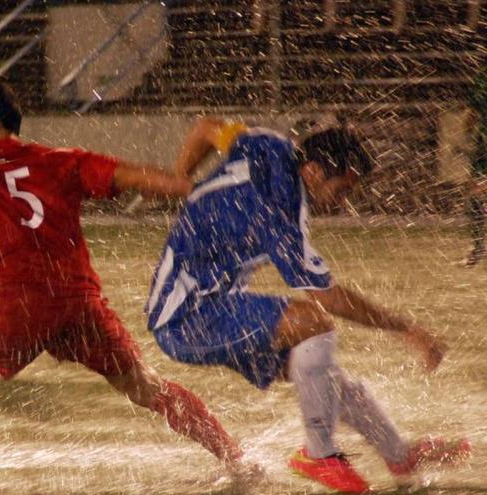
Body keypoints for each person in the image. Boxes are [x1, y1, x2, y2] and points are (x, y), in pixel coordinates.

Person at [0, 77, 257, 487]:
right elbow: (135, 177)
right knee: (146, 386)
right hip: (78, 303)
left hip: (14, 308)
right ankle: (235, 458)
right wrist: (198, 189)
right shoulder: (59, 160)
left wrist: (12, 326)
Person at [146, 117, 471, 493]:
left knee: (320, 371)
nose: (344, 202)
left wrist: (180, 181)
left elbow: (206, 127)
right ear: (314, 171)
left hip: (209, 307)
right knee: (315, 321)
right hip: (187, 317)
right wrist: (408, 330)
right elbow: (329, 298)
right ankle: (319, 455)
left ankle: (398, 455)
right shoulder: (283, 216)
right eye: (343, 189)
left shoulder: (269, 145)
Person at [464, 65, 487, 267]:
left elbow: (471, 116)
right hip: (483, 146)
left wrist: (467, 131)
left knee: (476, 195)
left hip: (484, 145)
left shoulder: (483, 77)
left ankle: (479, 245)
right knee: (476, 195)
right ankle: (479, 246)